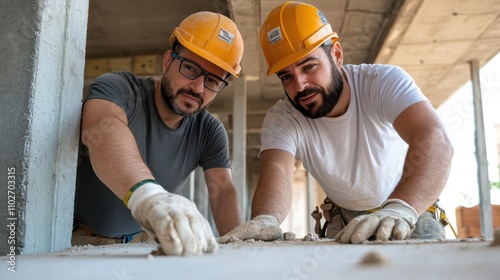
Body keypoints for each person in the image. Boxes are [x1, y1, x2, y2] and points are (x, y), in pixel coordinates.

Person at [220, 1, 453, 244]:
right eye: (286, 76)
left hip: (409, 207)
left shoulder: (382, 82)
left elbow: (434, 137)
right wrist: (266, 219)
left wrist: (401, 209)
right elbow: (277, 169)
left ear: (337, 55)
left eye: (309, 66)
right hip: (342, 219)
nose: (299, 85)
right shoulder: (284, 117)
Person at [73, 11, 244, 255]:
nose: (197, 87)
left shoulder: (208, 131)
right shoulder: (120, 89)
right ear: (168, 61)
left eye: (213, 81)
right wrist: (148, 196)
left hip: (148, 242)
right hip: (84, 239)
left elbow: (222, 189)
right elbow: (102, 128)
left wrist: (238, 244)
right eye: (190, 68)